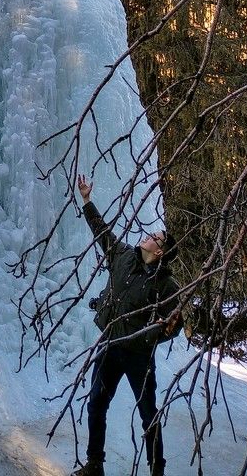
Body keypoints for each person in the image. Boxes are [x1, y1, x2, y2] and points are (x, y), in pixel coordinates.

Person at [73, 174, 182, 476]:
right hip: (110, 345)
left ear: (159, 251)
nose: (148, 235)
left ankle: (156, 470)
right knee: (96, 403)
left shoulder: (166, 284)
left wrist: (152, 336)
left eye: (155, 237)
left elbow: (175, 323)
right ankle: (94, 464)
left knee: (148, 413)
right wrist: (87, 199)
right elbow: (101, 231)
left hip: (138, 356)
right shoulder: (122, 256)